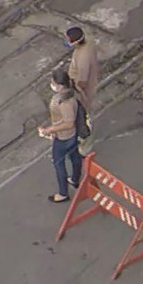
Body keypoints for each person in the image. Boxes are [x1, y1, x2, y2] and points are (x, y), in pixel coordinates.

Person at [38, 69, 83, 204]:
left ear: (60, 85)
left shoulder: (65, 103)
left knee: (58, 163)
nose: (51, 84)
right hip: (71, 136)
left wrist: (50, 130)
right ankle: (75, 179)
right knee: (75, 156)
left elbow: (69, 123)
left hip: (64, 138)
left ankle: (63, 193)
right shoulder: (69, 95)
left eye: (53, 82)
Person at [65, 26, 99, 113]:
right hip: (90, 75)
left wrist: (76, 88)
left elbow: (82, 81)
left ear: (75, 42)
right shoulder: (88, 44)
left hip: (82, 85)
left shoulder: (82, 59)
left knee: (84, 104)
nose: (66, 41)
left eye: (68, 40)